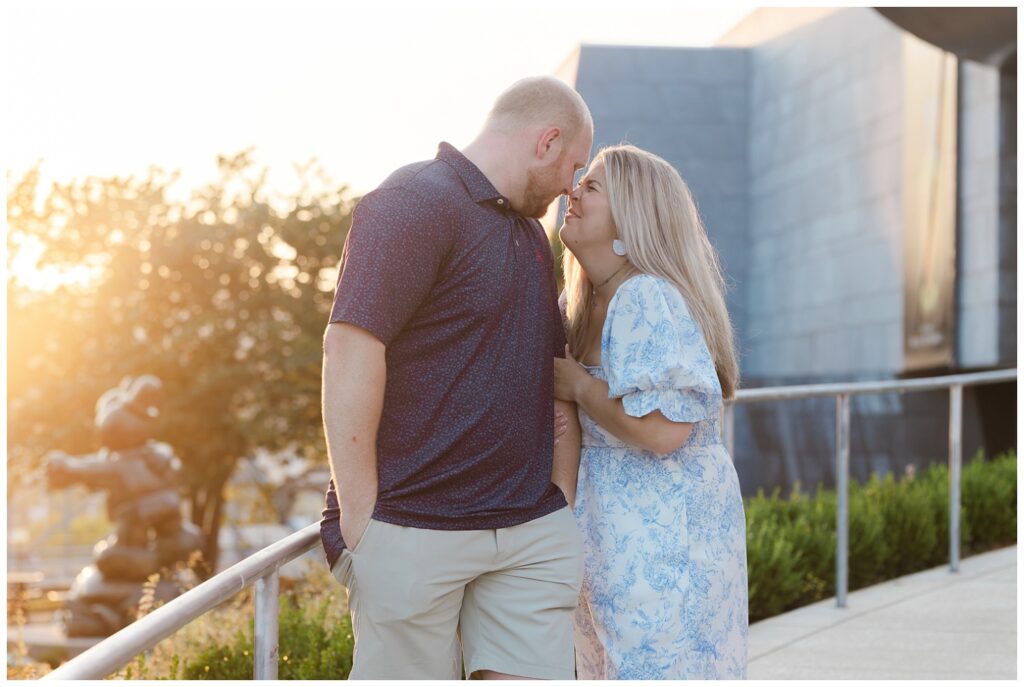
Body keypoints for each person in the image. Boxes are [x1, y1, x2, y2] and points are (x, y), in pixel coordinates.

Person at [319, 76, 593, 680]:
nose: (571, 187)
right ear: (546, 141)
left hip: (529, 533)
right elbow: (349, 348)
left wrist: (560, 500)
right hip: (413, 529)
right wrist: (363, 514)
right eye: (573, 166)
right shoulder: (414, 200)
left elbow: (550, 374)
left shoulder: (530, 237)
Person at [553, 144, 748, 679]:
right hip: (615, 528)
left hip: (665, 537)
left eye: (591, 187)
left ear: (632, 217)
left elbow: (665, 432)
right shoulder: (585, 303)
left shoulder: (644, 298)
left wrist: (579, 387)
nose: (573, 192)